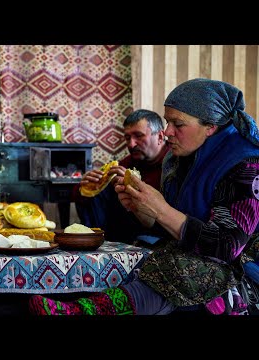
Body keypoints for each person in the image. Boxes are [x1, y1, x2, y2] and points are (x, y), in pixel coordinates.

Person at [29, 78, 259, 315]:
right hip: (194, 254)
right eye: (167, 121)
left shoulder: (246, 165)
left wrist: (160, 208)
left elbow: (227, 246)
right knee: (138, 255)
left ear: (210, 127)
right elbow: (174, 231)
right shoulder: (178, 161)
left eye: (177, 124)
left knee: (180, 268)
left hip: (240, 270)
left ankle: (88, 310)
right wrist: (142, 209)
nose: (167, 132)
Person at [74, 109, 169, 244]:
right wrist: (87, 186)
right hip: (123, 230)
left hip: (158, 230)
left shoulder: (174, 163)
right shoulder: (128, 162)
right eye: (127, 138)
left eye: (139, 136)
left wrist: (135, 184)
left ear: (160, 137)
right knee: (99, 193)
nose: (131, 144)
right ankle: (96, 243)